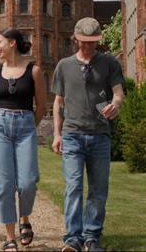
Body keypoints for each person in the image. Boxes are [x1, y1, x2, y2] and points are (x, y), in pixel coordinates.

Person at [51, 17, 124, 252]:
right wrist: (57, 133)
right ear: (76, 39)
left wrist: (116, 104)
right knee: (73, 186)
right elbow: (58, 102)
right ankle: (73, 238)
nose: (88, 46)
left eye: (92, 42)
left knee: (98, 189)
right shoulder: (64, 65)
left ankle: (92, 237)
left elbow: (118, 93)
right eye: (84, 42)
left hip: (100, 135)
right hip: (72, 135)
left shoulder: (109, 63)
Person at [0, 28, 47, 251]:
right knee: (4, 183)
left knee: (28, 182)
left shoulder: (34, 71)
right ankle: (10, 236)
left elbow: (41, 106)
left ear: (12, 43)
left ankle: (25, 219)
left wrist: (29, 124)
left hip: (25, 126)